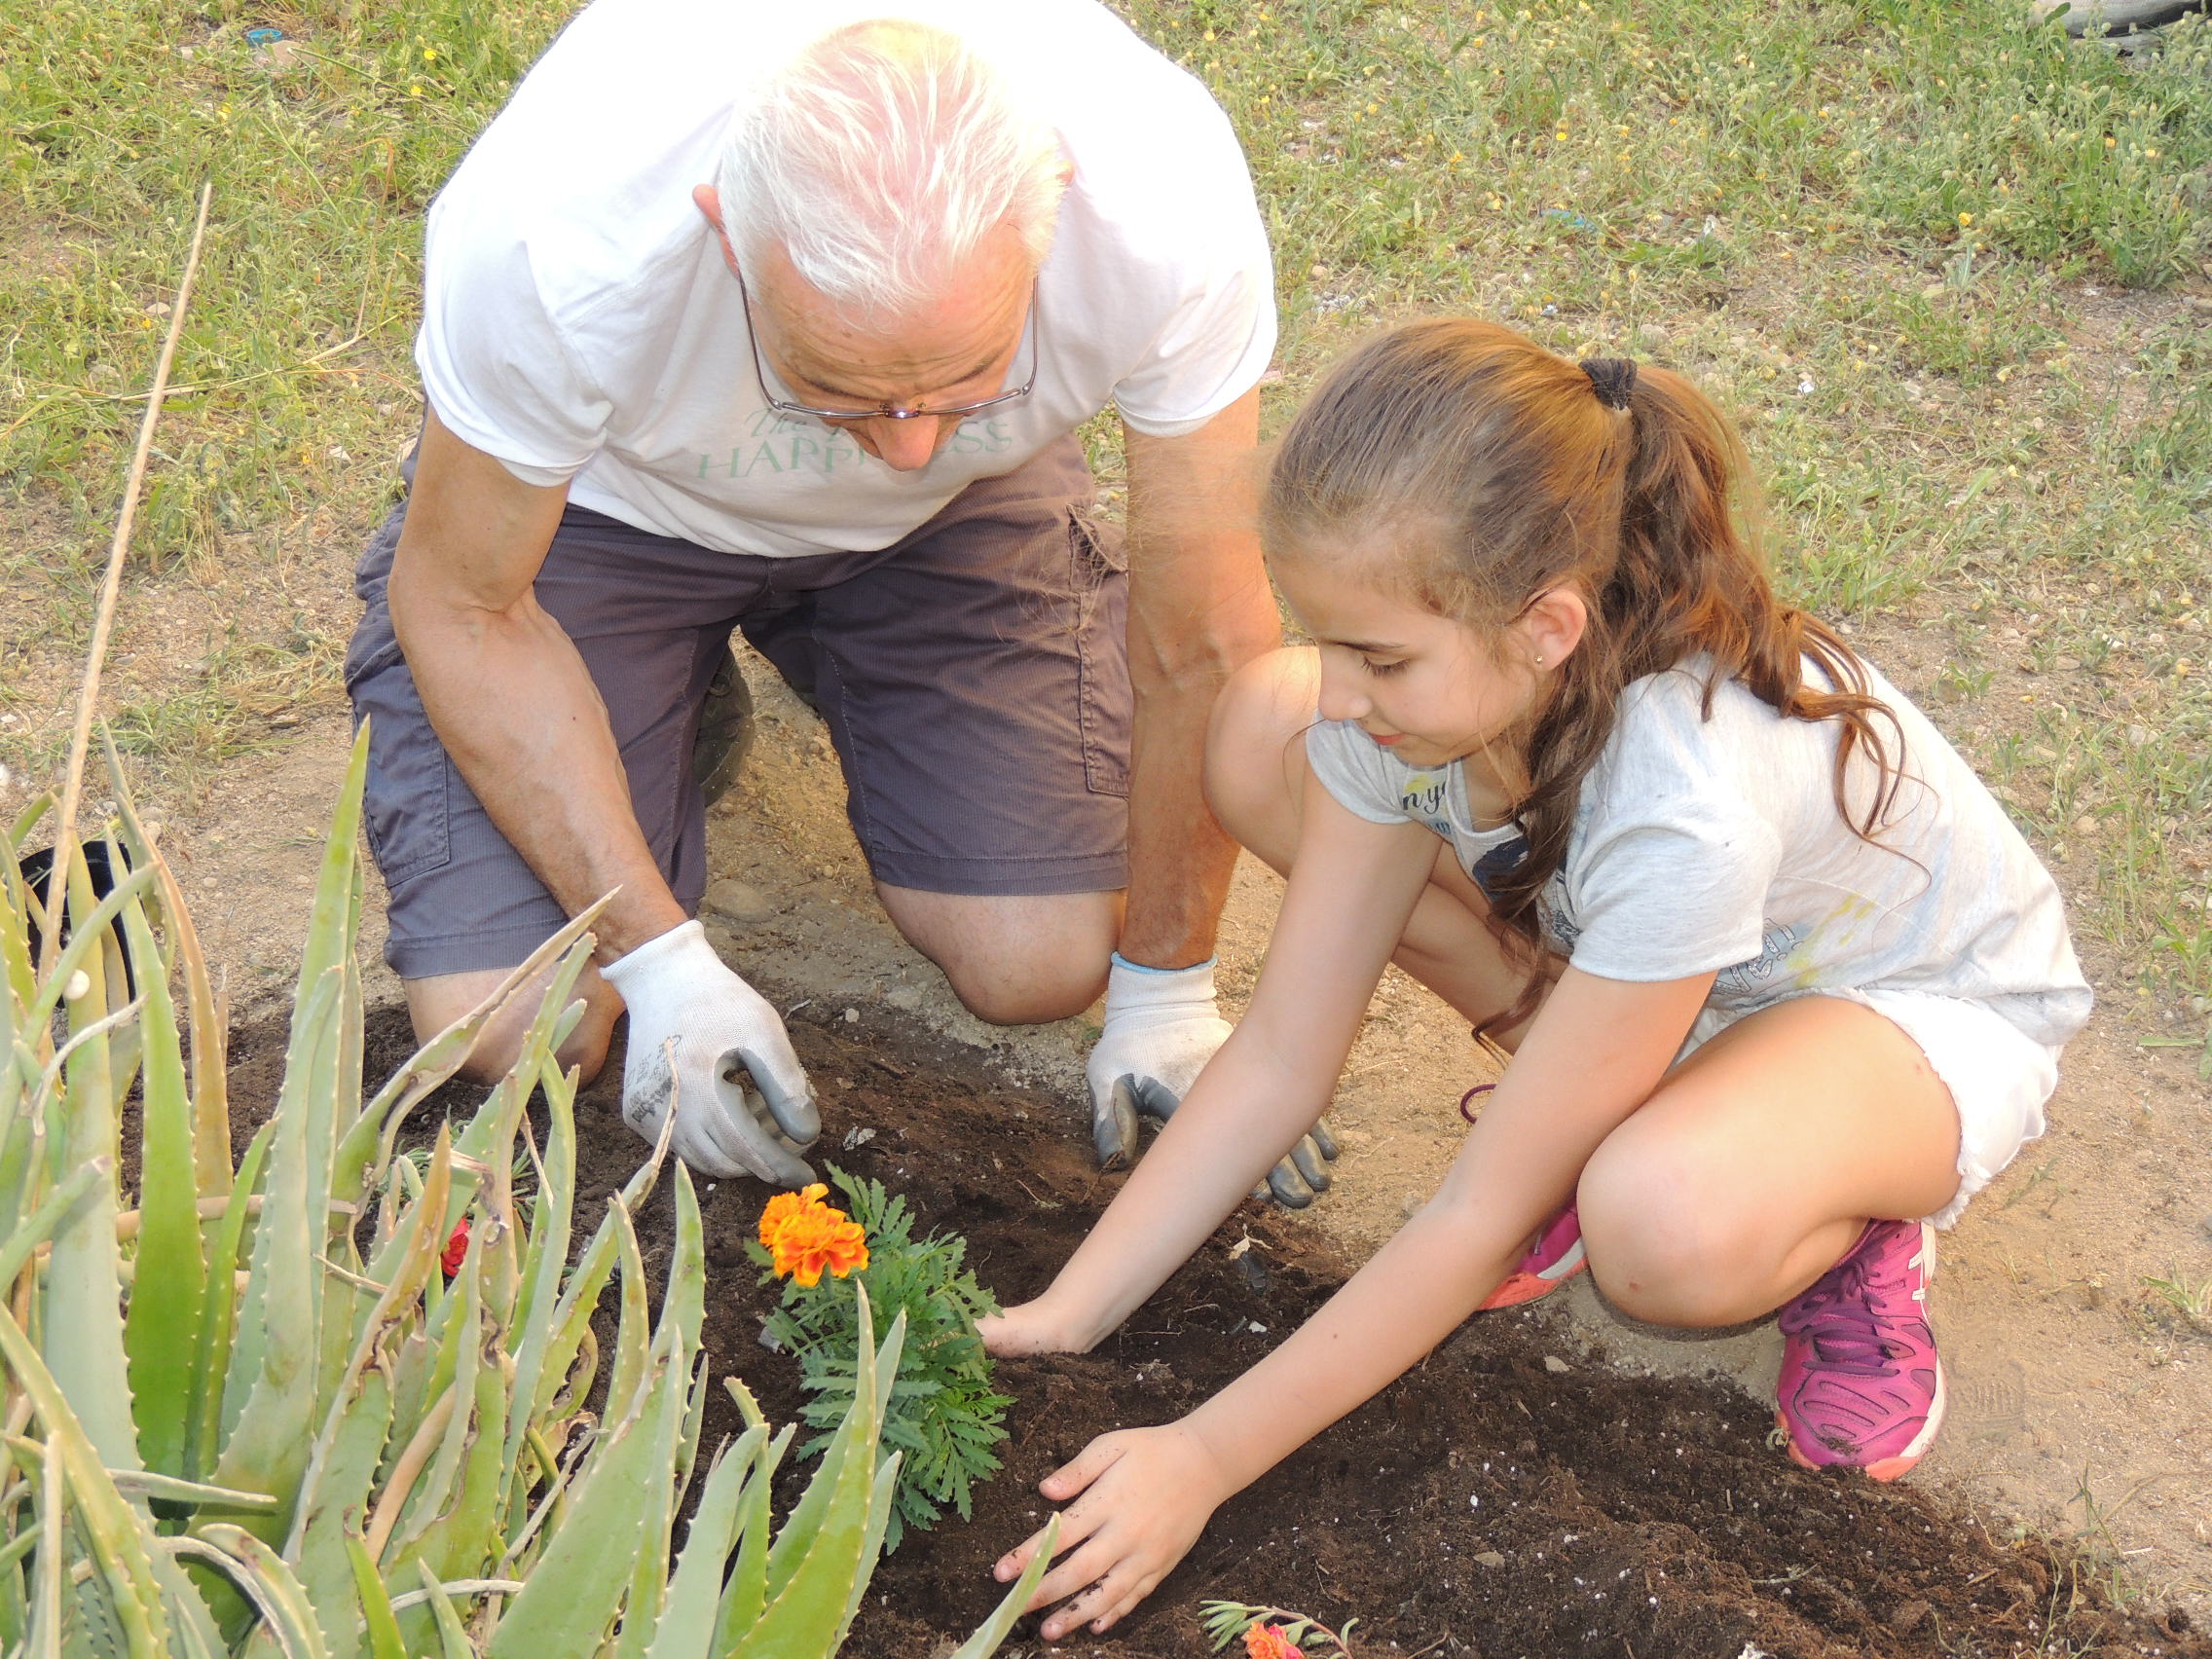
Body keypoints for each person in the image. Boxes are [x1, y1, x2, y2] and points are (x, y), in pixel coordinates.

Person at [980, 318, 2092, 1640]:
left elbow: (1466, 1218)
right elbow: (1281, 1054)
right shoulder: (1441, 701)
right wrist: (1070, 1313)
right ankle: (1609, 1106)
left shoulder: (1681, 807)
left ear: (1547, 627)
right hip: (1677, 980)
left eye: (1377, 657)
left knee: (1658, 1223)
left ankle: (1848, 1226)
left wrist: (1205, 1459)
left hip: (1918, 1013)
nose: (1343, 690)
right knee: (1270, 729)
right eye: (1323, 635)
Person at [343, 0, 1335, 1195]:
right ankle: (662, 689)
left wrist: (1169, 994)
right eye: (835, 386)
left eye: (965, 375)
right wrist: (657, 961)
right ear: (724, 231)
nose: (902, 448)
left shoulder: (1158, 200)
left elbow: (1205, 636)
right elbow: (464, 604)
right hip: (613, 514)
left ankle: (756, 652)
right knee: (522, 1025)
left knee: (1043, 964)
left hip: (955, 527)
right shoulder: (560, 237)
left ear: (1051, 211)